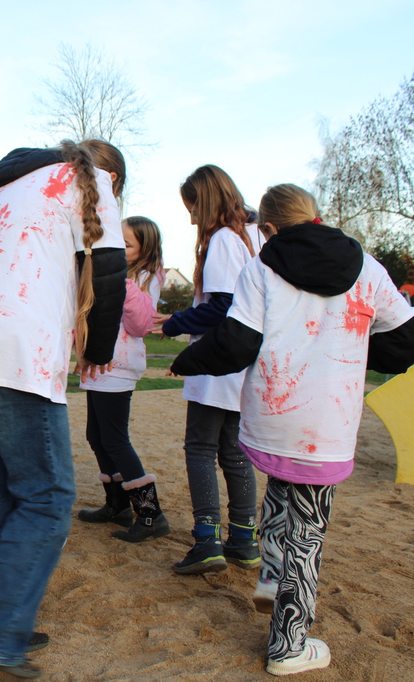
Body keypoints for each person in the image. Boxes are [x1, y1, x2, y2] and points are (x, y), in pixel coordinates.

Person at [170, 183, 414, 676]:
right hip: (327, 422)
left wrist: (190, 359)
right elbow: (404, 341)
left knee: (281, 495)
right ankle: (289, 646)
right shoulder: (367, 267)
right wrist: (357, 345)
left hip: (273, 413)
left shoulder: (261, 266)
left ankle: (270, 582)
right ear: (314, 216)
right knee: (308, 531)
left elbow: (237, 341)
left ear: (267, 228)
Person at [0, 140, 128, 678]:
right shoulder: (89, 181)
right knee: (48, 496)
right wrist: (99, 349)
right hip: (15, 348)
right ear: (107, 174)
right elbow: (110, 268)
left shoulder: (2, 190)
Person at [150, 164, 265, 575]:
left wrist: (176, 322)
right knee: (234, 451)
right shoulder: (255, 233)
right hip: (245, 361)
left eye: (194, 208)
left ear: (208, 200)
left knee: (200, 447)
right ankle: (244, 539)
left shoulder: (223, 239)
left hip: (218, 360)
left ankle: (207, 540)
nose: (192, 218)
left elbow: (222, 306)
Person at [78, 216, 171, 543]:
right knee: (97, 436)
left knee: (115, 439)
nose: (119, 248)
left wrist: (122, 284)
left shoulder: (144, 278)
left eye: (127, 245)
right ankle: (117, 505)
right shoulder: (117, 272)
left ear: (145, 249)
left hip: (118, 364)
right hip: (100, 362)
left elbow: (140, 325)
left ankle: (150, 514)